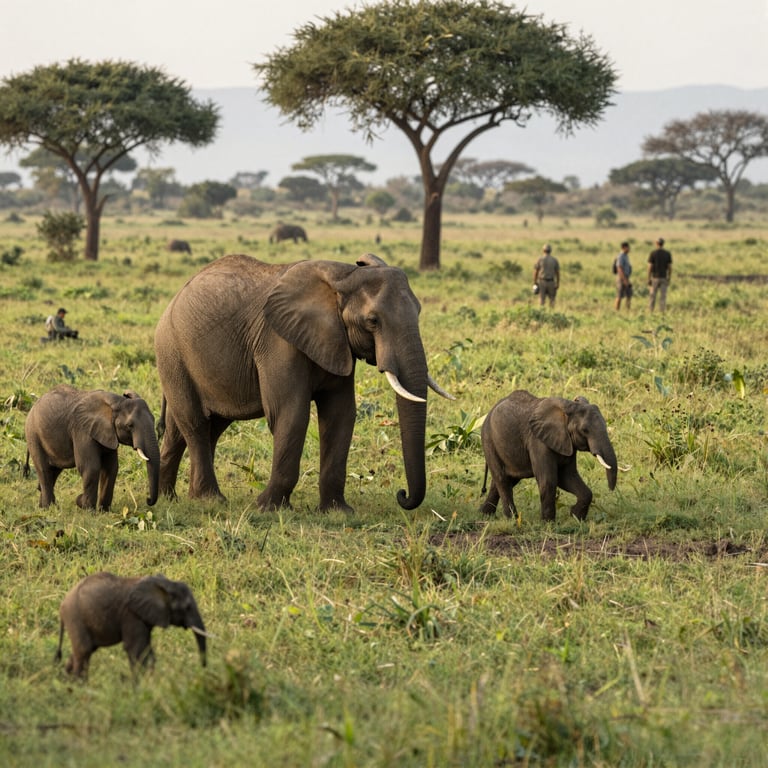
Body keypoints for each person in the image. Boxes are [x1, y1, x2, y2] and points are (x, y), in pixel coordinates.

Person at [647, 237, 672, 313]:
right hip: (664, 277)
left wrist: (648, 278)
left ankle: (650, 311)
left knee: (652, 296)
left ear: (656, 243)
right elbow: (670, 267)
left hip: (655, 277)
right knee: (663, 296)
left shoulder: (653, 253)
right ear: (663, 244)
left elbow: (650, 267)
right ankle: (662, 312)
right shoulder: (667, 253)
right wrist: (669, 277)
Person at [533, 244, 559, 308]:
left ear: (543, 250)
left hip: (542, 282)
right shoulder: (554, 260)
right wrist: (557, 283)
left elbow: (536, 272)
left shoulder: (540, 259)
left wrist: (535, 282)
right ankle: (552, 312)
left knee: (541, 300)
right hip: (551, 282)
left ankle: (541, 312)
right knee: (552, 300)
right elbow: (557, 273)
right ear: (550, 251)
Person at [614, 241, 633, 311]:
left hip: (626, 277)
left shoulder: (626, 256)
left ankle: (628, 310)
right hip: (621, 278)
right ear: (624, 248)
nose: (629, 249)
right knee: (619, 295)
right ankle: (616, 311)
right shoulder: (621, 256)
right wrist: (624, 280)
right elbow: (619, 268)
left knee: (629, 295)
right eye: (628, 248)